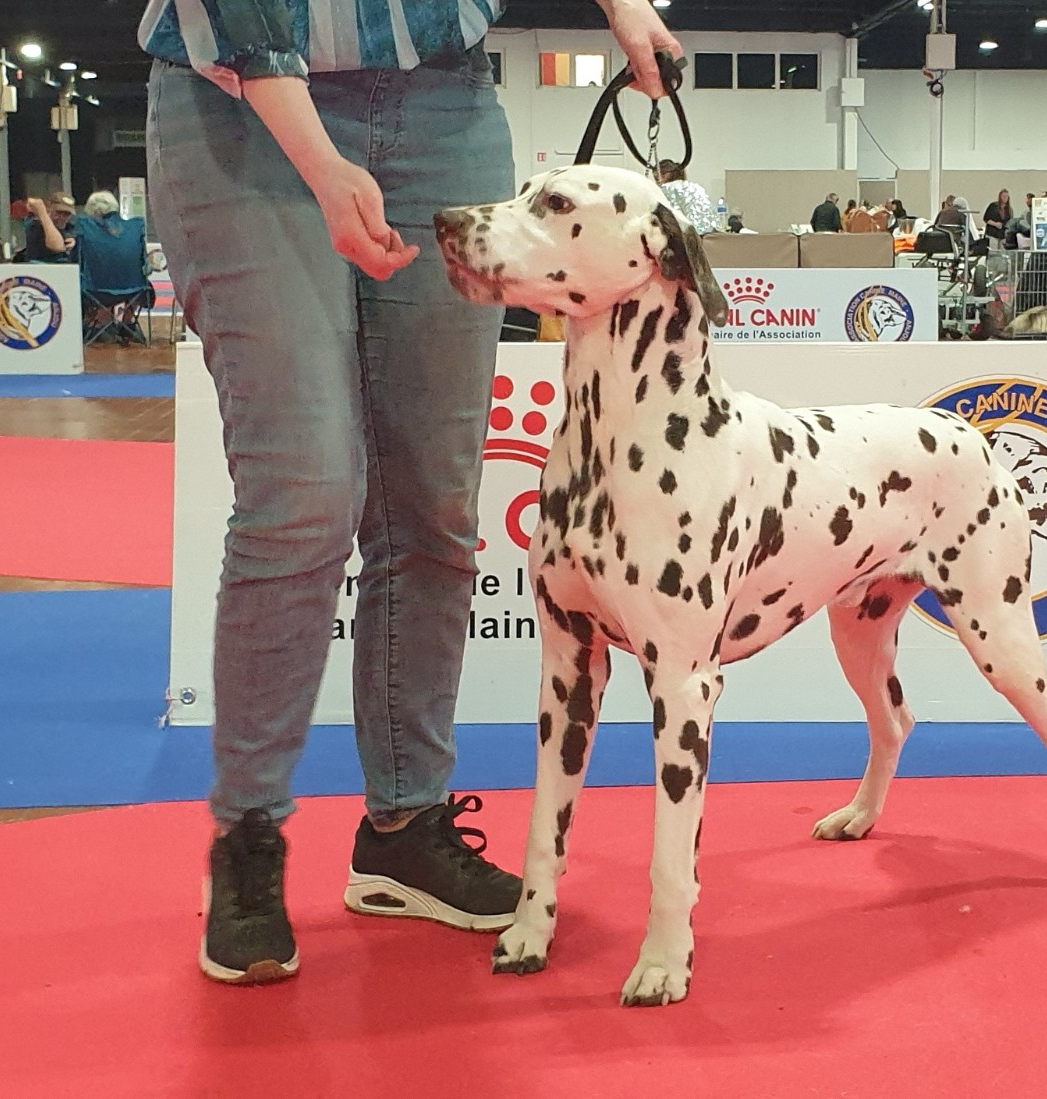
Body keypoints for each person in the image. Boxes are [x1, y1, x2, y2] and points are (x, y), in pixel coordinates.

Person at [139, 0, 682, 985]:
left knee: (434, 505)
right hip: (239, 109)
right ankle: (248, 834)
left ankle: (404, 825)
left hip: (444, 106)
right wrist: (323, 165)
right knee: (304, 489)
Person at [656, 159, 718, 235]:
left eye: (656, 177)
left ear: (666, 175)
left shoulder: (665, 189)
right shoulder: (696, 187)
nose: (657, 181)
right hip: (712, 235)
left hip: (688, 236)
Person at [20, 191, 76, 262]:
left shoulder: (70, 227)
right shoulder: (36, 226)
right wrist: (42, 212)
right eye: (58, 212)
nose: (61, 217)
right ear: (49, 208)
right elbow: (57, 247)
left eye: (66, 214)